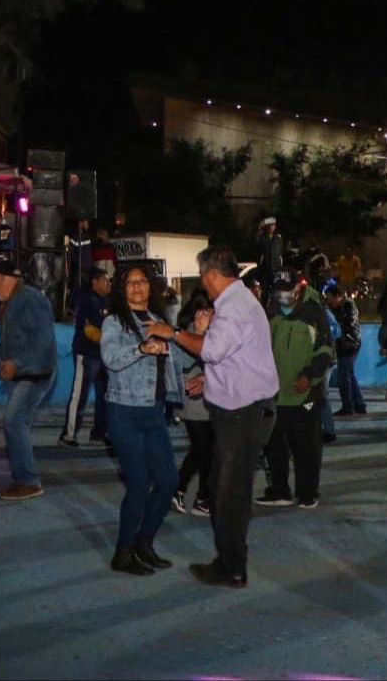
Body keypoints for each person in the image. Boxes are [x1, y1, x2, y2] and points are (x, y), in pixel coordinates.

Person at [146, 246, 278, 588]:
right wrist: (210, 378)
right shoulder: (240, 303)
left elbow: (213, 349)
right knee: (226, 490)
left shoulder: (235, 307)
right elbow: (239, 357)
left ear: (210, 275)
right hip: (244, 410)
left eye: (203, 277)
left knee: (228, 495)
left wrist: (172, 333)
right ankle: (230, 561)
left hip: (242, 415)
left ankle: (232, 567)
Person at [99, 264, 186, 575]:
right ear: (121, 289)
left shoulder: (160, 321)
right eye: (130, 282)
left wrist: (196, 334)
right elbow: (110, 359)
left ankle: (144, 542)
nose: (136, 287)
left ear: (152, 287)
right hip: (124, 410)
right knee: (138, 484)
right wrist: (141, 347)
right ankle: (123, 552)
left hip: (155, 411)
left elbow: (178, 358)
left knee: (168, 482)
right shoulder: (114, 322)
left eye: (142, 282)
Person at [258, 273, 333, 509]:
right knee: (274, 446)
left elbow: (325, 351)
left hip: (305, 394)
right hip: (276, 394)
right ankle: (279, 490)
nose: (283, 294)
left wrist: (309, 376)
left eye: (287, 289)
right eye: (279, 289)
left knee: (306, 446)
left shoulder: (314, 313)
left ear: (298, 289)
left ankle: (308, 493)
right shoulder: (270, 314)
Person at [0, 263, 57, 501]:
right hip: (31, 371)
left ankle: (27, 481)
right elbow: (18, 342)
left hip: (35, 373)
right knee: (18, 424)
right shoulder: (15, 301)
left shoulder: (28, 299)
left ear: (4, 278)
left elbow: (42, 340)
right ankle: (26, 478)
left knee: (13, 421)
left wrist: (16, 364)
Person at [173, 294, 216, 518]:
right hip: (194, 401)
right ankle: (200, 497)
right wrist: (199, 333)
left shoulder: (211, 332)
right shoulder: (190, 333)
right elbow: (187, 361)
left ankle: (190, 493)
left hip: (204, 401)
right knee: (204, 450)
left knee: (203, 449)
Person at [61, 268, 112, 447]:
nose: (108, 284)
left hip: (101, 354)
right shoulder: (87, 300)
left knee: (104, 395)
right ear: (95, 281)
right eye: (105, 280)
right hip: (87, 353)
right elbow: (95, 326)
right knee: (79, 395)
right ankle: (69, 435)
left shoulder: (104, 300)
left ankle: (99, 432)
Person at [326, 282, 367, 416]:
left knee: (345, 376)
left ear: (337, 296)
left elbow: (345, 326)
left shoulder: (347, 306)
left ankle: (348, 406)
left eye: (330, 298)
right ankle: (359, 404)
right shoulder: (345, 306)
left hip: (348, 344)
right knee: (349, 374)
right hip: (349, 343)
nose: (329, 301)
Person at [255, 218, 284, 303]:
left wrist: (279, 265)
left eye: (273, 225)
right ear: (267, 227)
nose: (272, 227)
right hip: (265, 269)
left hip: (276, 269)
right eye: (270, 225)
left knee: (277, 292)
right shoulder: (262, 237)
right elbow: (257, 243)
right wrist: (260, 226)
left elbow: (280, 253)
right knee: (265, 293)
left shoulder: (278, 238)